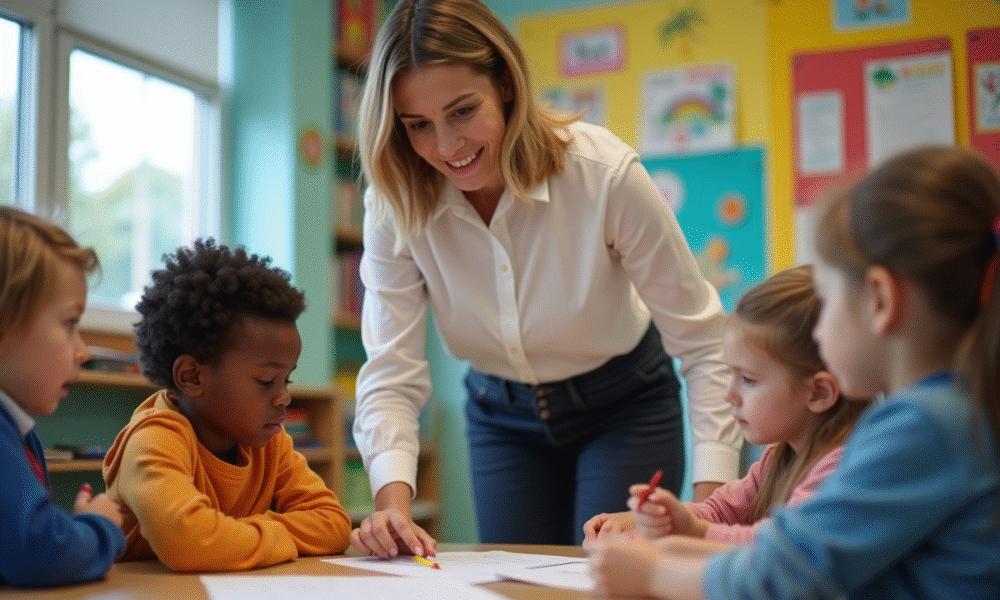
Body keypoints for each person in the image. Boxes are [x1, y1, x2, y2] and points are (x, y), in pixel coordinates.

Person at [350, 0, 741, 555]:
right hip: (499, 415)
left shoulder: (604, 175)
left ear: (506, 84)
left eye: (463, 111)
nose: (446, 146)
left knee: (610, 577)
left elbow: (705, 346)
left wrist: (708, 518)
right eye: (418, 126)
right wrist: (391, 513)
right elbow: (391, 368)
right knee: (515, 581)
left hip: (624, 405)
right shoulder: (394, 203)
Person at [589, 146, 1000, 599]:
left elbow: (792, 572)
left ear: (880, 301)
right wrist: (670, 546)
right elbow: (788, 554)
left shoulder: (925, 426)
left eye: (828, 300)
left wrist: (653, 575)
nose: (821, 333)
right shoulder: (949, 413)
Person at [102, 239, 351, 571]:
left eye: (286, 380)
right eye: (266, 381)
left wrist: (231, 536)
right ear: (192, 376)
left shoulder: (269, 443)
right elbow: (190, 542)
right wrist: (277, 531)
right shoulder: (153, 440)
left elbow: (334, 524)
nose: (284, 397)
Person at [583, 265, 870, 549]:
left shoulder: (840, 469)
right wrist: (658, 517)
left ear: (819, 392)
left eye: (747, 379)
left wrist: (693, 530)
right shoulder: (778, 459)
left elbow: (779, 547)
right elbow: (720, 512)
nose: (729, 395)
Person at [0, 206, 125, 587]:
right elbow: (39, 551)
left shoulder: (18, 430)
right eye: (70, 323)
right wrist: (100, 526)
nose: (83, 350)